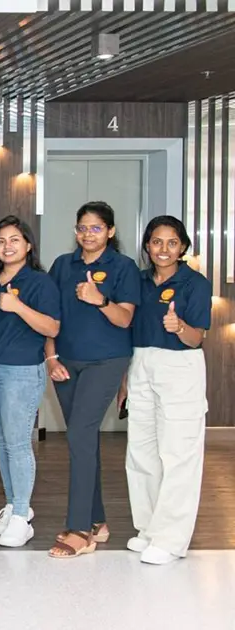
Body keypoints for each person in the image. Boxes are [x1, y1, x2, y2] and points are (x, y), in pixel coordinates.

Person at [45, 201, 141, 558]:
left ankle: (79, 529)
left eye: (96, 228)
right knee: (82, 441)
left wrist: (99, 300)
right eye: (83, 228)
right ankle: (98, 521)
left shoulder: (123, 267)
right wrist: (50, 357)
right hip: (66, 364)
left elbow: (125, 319)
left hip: (106, 361)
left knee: (79, 436)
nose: (88, 234)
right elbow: (50, 317)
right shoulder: (62, 265)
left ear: (110, 232)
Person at [125, 216, 210, 565]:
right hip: (141, 364)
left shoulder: (196, 283)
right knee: (141, 452)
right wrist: (125, 382)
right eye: (157, 242)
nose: (164, 249)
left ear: (183, 247)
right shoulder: (138, 281)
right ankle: (149, 529)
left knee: (178, 455)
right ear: (147, 245)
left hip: (180, 366)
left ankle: (171, 539)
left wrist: (179, 326)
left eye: (172, 242)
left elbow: (196, 337)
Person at [0, 215, 61, 548]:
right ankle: (14, 504)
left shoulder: (40, 282)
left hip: (21, 372)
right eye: (1, 241)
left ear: (28, 245)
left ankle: (23, 515)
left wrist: (17, 306)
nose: (7, 246)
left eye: (14, 239)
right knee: (3, 441)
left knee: (17, 443)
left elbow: (51, 328)